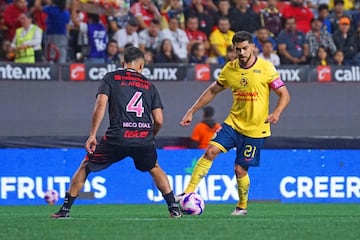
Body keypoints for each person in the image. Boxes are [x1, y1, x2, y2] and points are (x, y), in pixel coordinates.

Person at [51, 46, 182, 219]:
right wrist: (150, 135)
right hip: (143, 137)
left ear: (122, 63)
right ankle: (174, 208)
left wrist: (92, 135)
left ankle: (65, 210)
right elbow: (158, 119)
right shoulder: (149, 85)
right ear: (141, 65)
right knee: (154, 167)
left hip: (118, 136)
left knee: (86, 166)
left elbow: (100, 105)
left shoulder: (111, 78)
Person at [176, 30, 290, 215]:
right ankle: (188, 193)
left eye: (245, 48)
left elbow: (284, 94)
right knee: (211, 151)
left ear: (253, 47)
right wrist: (192, 110)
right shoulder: (230, 69)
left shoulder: (266, 68)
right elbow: (213, 91)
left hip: (256, 130)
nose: (242, 53)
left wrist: (277, 112)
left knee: (239, 170)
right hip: (233, 124)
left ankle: (242, 206)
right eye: (238, 49)